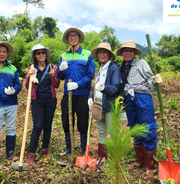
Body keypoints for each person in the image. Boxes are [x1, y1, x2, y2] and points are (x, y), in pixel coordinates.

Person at [117, 40, 162, 180]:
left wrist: (155, 81)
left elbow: (150, 82)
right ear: (122, 53)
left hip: (142, 97)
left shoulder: (141, 63)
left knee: (147, 128)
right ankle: (140, 161)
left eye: (131, 50)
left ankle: (150, 166)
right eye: (125, 50)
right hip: (129, 100)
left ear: (134, 52)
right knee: (135, 128)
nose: (128, 53)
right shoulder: (120, 68)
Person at [57, 27, 95, 156]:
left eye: (75, 35)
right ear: (68, 39)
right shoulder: (63, 56)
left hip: (82, 94)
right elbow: (60, 76)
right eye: (70, 36)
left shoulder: (87, 54)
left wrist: (78, 84)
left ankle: (84, 149)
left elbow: (90, 74)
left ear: (79, 38)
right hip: (68, 94)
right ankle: (69, 147)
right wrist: (60, 70)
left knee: (83, 121)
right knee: (66, 120)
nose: (72, 38)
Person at [25, 44, 60, 165]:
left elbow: (56, 85)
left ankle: (45, 149)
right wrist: (30, 76)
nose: (41, 55)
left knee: (47, 125)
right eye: (38, 53)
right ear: (34, 55)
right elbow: (27, 86)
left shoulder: (52, 67)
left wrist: (53, 76)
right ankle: (32, 152)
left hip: (50, 100)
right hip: (37, 101)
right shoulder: (31, 68)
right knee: (37, 126)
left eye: (43, 52)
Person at [88, 43, 120, 166]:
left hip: (109, 105)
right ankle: (102, 156)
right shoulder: (100, 68)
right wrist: (91, 98)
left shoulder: (113, 68)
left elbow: (115, 88)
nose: (101, 54)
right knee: (101, 132)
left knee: (113, 132)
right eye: (100, 52)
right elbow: (95, 87)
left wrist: (103, 88)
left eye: (104, 52)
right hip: (98, 106)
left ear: (109, 54)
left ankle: (116, 158)